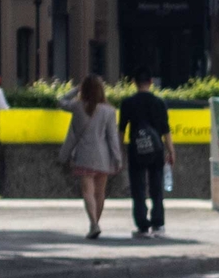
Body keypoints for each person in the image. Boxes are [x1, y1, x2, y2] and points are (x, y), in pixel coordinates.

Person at [57, 74, 120, 238]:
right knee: (100, 193)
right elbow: (113, 138)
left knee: (87, 192)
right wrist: (117, 158)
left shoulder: (77, 107)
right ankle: (95, 223)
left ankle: (94, 223)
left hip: (84, 156)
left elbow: (60, 101)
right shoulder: (109, 111)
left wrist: (75, 89)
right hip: (103, 157)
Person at [118, 76, 171, 236]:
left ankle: (142, 225)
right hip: (156, 150)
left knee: (138, 187)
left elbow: (121, 130)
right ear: (151, 82)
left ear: (134, 83)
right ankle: (158, 223)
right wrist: (171, 150)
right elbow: (166, 129)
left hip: (136, 149)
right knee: (156, 187)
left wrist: (119, 151)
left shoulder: (128, 102)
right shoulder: (159, 102)